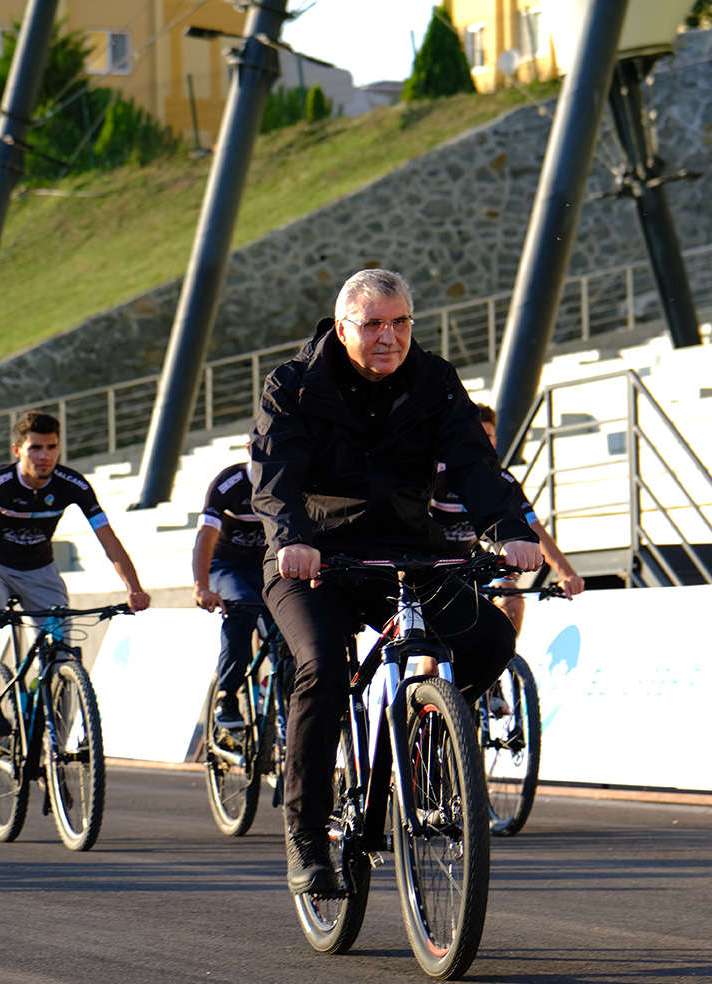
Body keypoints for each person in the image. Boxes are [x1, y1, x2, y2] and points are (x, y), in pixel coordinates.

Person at [250, 268, 543, 895]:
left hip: (407, 555)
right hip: (313, 559)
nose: (390, 336)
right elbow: (274, 475)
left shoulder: (434, 380)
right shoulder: (294, 385)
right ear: (342, 327)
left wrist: (512, 526)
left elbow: (472, 461)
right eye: (375, 323)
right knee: (324, 667)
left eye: (401, 321)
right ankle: (307, 836)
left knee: (490, 641)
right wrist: (292, 541)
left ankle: (432, 740)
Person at [0, 411, 151, 734]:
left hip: (41, 570)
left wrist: (134, 587)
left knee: (61, 655)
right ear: (17, 450)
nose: (45, 455)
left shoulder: (72, 484)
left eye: (51, 447)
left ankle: (52, 741)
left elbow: (108, 539)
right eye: (35, 447)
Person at [431, 402, 584, 636]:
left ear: (495, 440)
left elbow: (533, 528)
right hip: (432, 564)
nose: (481, 441)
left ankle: (500, 666)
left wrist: (567, 574)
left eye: (488, 436)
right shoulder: (436, 473)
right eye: (475, 434)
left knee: (513, 601)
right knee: (431, 660)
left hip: (472, 562)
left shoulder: (502, 479)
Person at [191, 461, 270, 741]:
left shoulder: (287, 475)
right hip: (227, 566)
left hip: (267, 567)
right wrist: (201, 586)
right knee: (243, 607)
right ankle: (227, 696)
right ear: (250, 449)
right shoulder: (229, 483)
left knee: (286, 635)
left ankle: (278, 702)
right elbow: (205, 537)